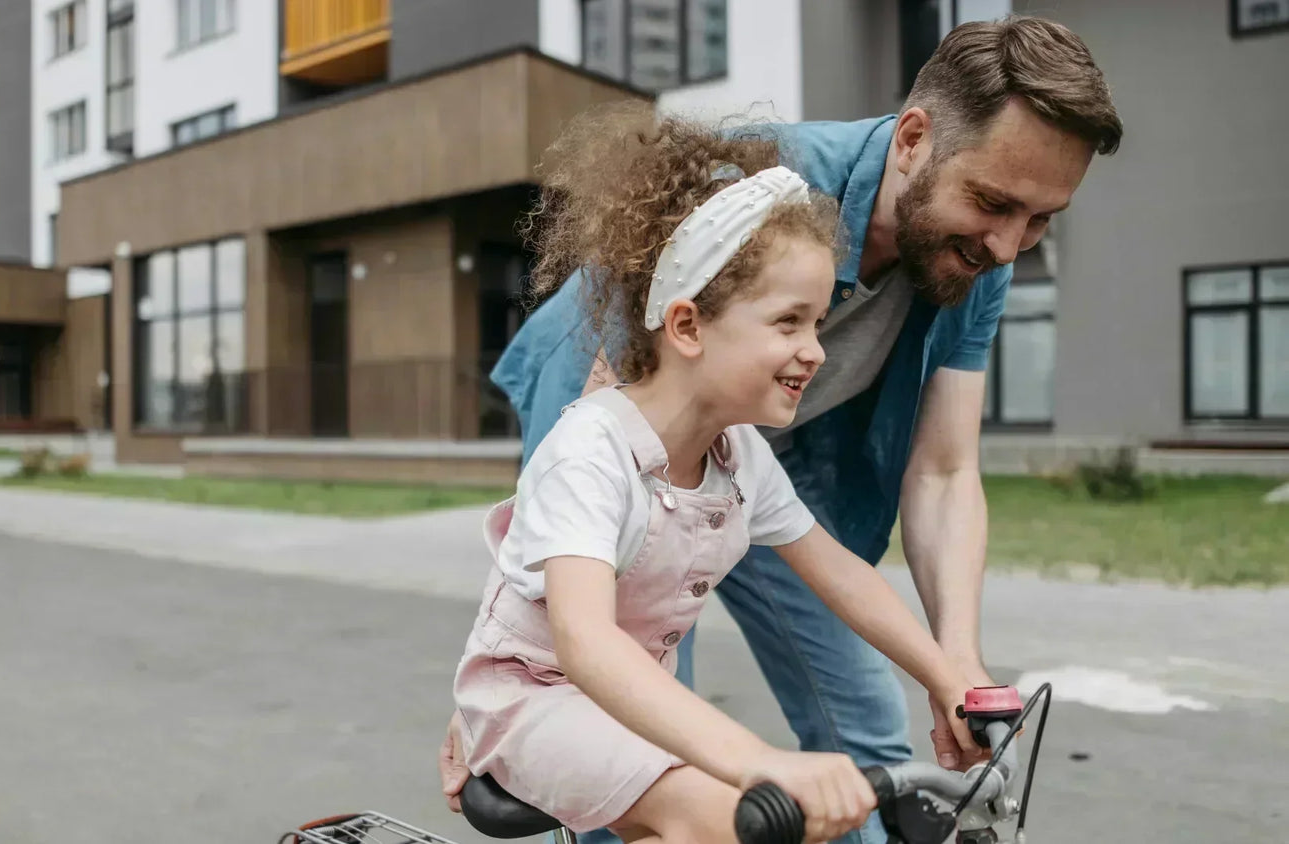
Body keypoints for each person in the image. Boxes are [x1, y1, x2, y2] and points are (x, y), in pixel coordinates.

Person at [442, 14, 1122, 844]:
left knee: (865, 726)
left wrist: (955, 670)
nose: (1010, 247)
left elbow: (938, 476)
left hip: (733, 454)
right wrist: (504, 701)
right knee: (666, 766)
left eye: (1041, 220)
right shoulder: (748, 193)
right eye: (993, 203)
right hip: (615, 451)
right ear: (913, 140)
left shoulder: (757, 448)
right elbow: (578, 592)